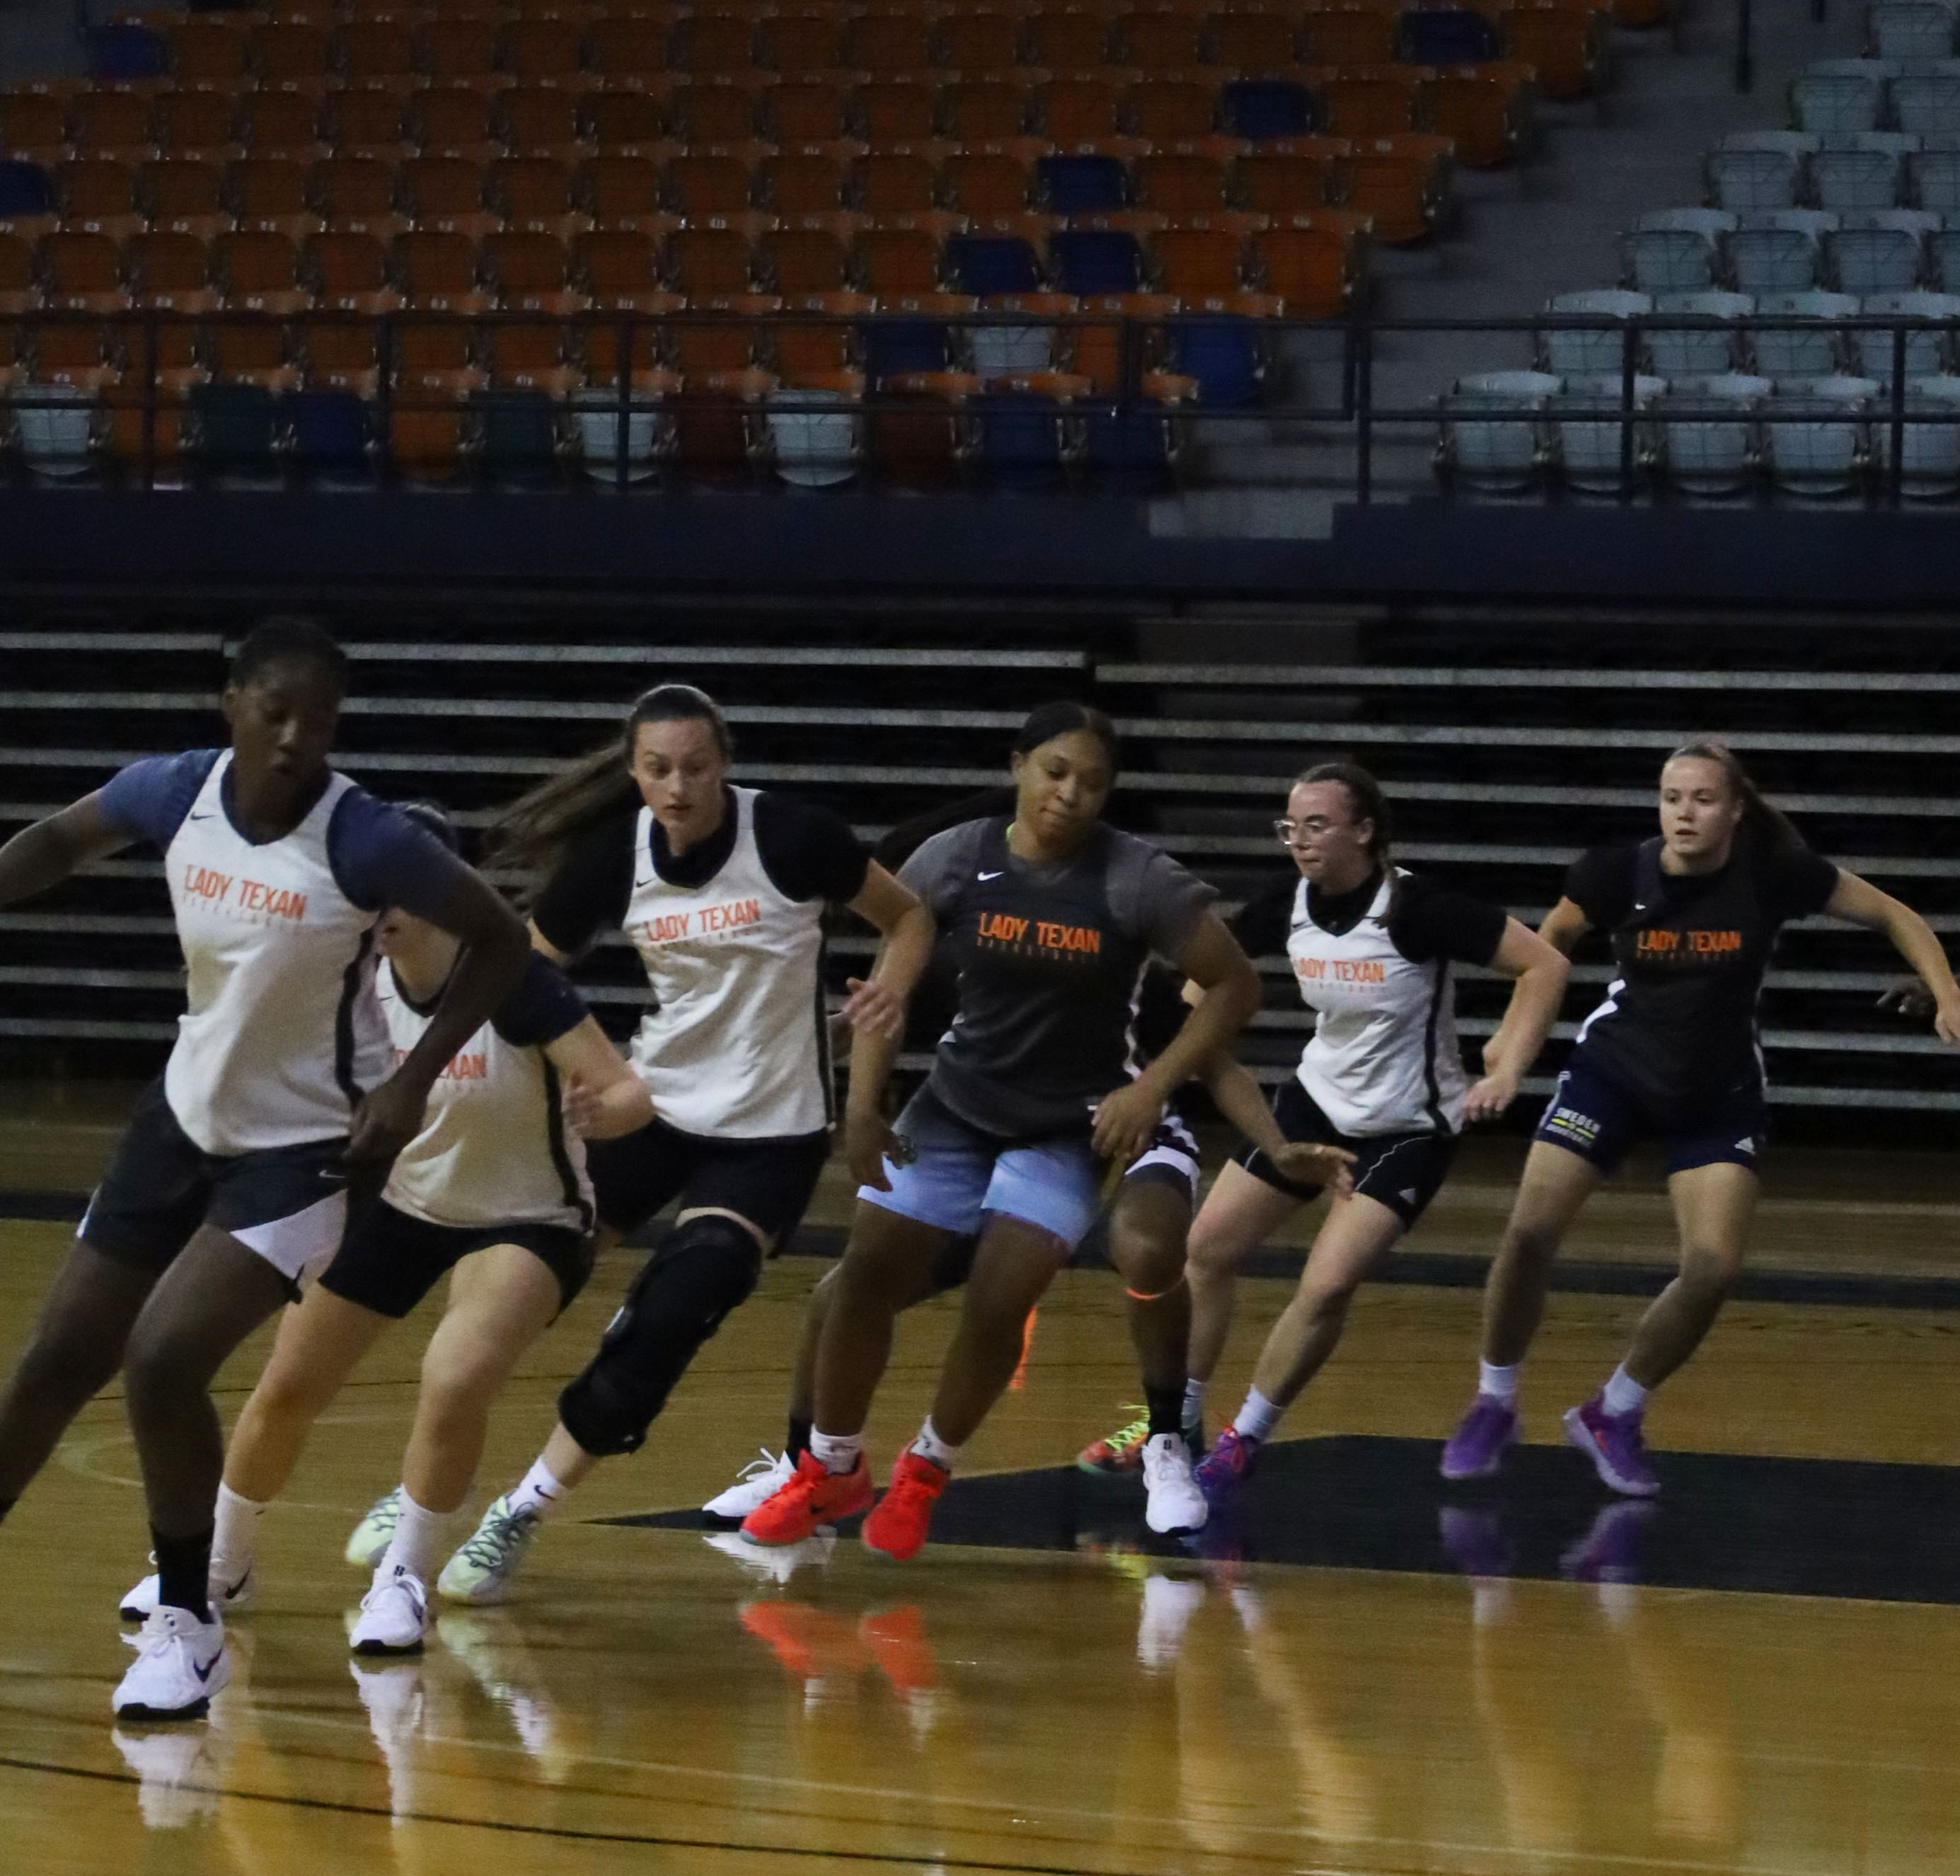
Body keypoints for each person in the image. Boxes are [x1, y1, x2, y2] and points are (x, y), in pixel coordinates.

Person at [0, 618, 528, 1717]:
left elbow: (502, 940)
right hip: (182, 1117)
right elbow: (53, 843)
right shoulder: (173, 791)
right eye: (277, 713)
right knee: (57, 1357)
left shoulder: (366, 838)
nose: (295, 738)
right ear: (231, 701)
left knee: (162, 1360)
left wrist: (412, 1080)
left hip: (306, 1147)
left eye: (318, 721)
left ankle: (188, 1627)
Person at [738, 701, 1297, 1553]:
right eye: (1055, 772)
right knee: (858, 1281)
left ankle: (925, 1469)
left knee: (1000, 1298)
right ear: (1017, 766)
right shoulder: (953, 859)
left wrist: (1150, 1087)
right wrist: (862, 1107)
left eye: (1092, 783)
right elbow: (884, 993)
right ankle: (830, 1467)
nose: (1071, 794)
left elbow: (1235, 987)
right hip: (955, 1105)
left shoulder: (1135, 877)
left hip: (1065, 1127)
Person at [117, 803, 660, 1653]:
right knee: (286, 1383)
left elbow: (628, 1092)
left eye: (403, 887)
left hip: (525, 1217)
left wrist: (608, 1110)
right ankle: (221, 1563)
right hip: (397, 1207)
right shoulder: (350, 985)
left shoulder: (513, 982)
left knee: (453, 1374)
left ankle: (404, 1575)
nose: (382, 905)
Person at [434, 683, 933, 1599]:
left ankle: (522, 1510)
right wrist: (577, 1071)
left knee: (673, 1308)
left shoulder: (790, 837)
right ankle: (427, 1488)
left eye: (695, 768)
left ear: (724, 765)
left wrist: (888, 999)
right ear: (634, 772)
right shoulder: (612, 859)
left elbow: (908, 918)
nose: (677, 786)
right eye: (658, 769)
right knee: (511, 1285)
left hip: (770, 1137)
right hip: (649, 1111)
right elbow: (523, 973)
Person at [1439, 737, 1960, 1497]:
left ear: (1734, 810)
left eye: (1702, 800)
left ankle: (1613, 1412)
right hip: (1613, 1074)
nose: (1684, 814)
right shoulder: (1614, 874)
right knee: (1528, 1232)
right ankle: (1494, 1401)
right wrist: (1510, 1045)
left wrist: (1949, 998)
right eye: (1671, 799)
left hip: (1715, 1088)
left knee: (1713, 1268)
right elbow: (1552, 941)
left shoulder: (1772, 873)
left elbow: (1895, 915)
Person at [1187, 760, 1571, 1499]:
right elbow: (1200, 980)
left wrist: (1506, 1069)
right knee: (1206, 1247)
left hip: (1407, 1126)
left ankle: (1245, 1437)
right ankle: (1173, 1421)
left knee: (1327, 1283)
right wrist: (1189, 1039)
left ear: (1363, 831)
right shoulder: (1284, 905)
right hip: (1313, 1104)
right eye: (1290, 827)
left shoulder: (1416, 908)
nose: (1300, 840)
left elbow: (1543, 966)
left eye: (1317, 825)